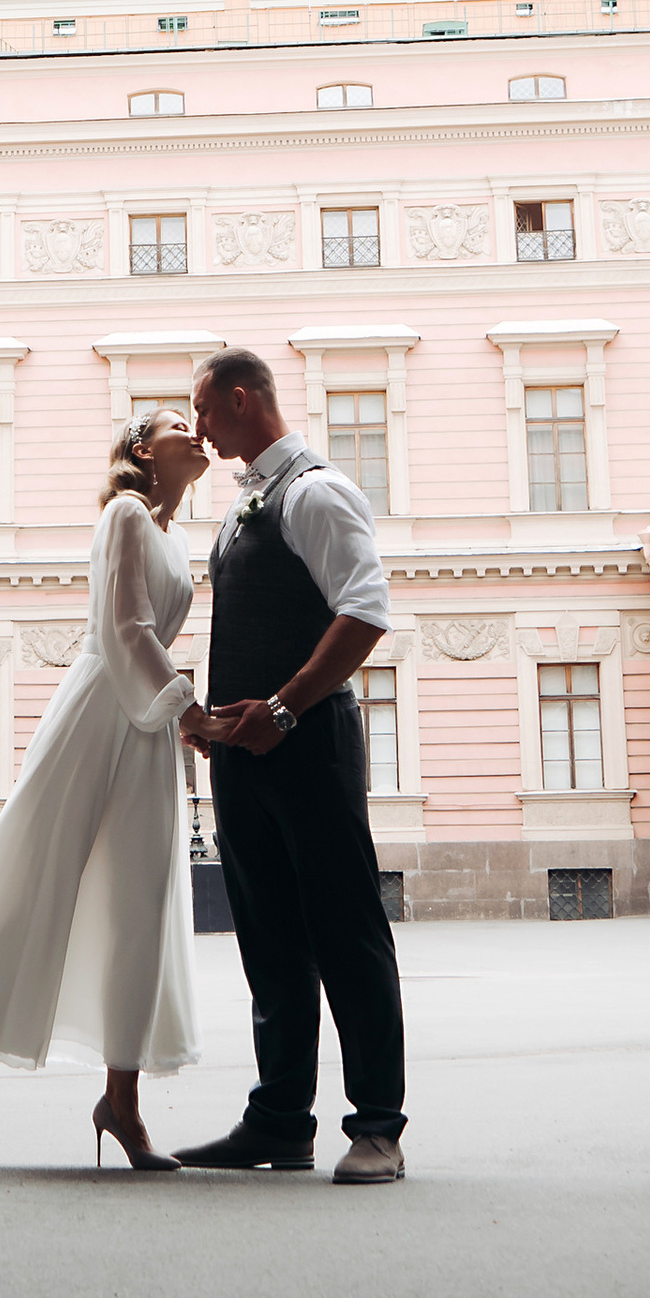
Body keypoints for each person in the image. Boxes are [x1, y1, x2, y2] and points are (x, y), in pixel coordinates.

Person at [0, 412, 207, 1169]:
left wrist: (174, 712)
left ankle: (122, 1103)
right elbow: (124, 626)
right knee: (37, 882)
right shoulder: (123, 513)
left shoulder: (179, 538)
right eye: (183, 423)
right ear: (145, 449)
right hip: (97, 710)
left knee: (139, 906)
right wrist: (190, 709)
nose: (198, 432)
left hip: (146, 723)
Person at [174, 348, 406, 1184]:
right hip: (247, 755)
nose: (198, 428)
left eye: (204, 410)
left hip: (308, 745)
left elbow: (366, 611)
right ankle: (280, 1120)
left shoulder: (314, 490)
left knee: (346, 934)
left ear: (241, 400)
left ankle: (378, 1127)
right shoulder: (244, 506)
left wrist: (281, 708)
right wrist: (216, 721)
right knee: (268, 941)